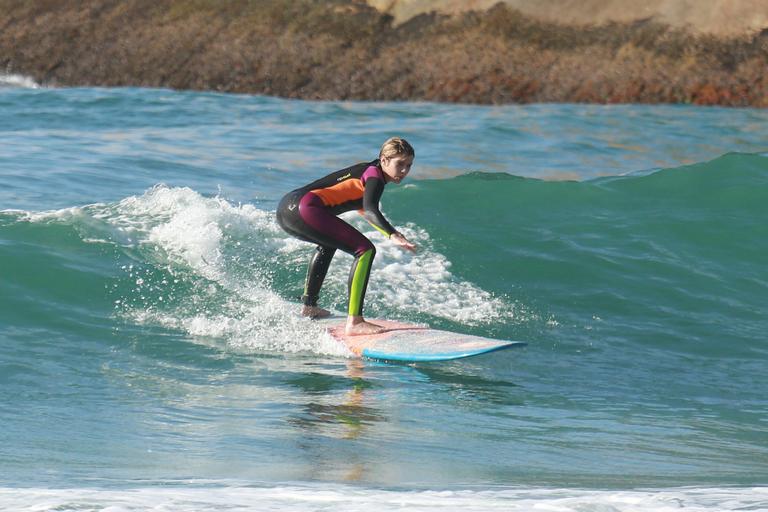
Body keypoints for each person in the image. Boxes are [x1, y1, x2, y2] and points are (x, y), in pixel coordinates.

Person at [276, 137, 417, 335]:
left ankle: (309, 307)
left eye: (408, 165)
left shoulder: (366, 172)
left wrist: (389, 232)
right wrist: (392, 234)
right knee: (365, 250)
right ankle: (355, 322)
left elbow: (362, 208)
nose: (404, 171)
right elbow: (369, 209)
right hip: (305, 207)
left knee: (328, 244)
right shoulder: (375, 176)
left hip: (287, 208)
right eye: (399, 164)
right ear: (384, 160)